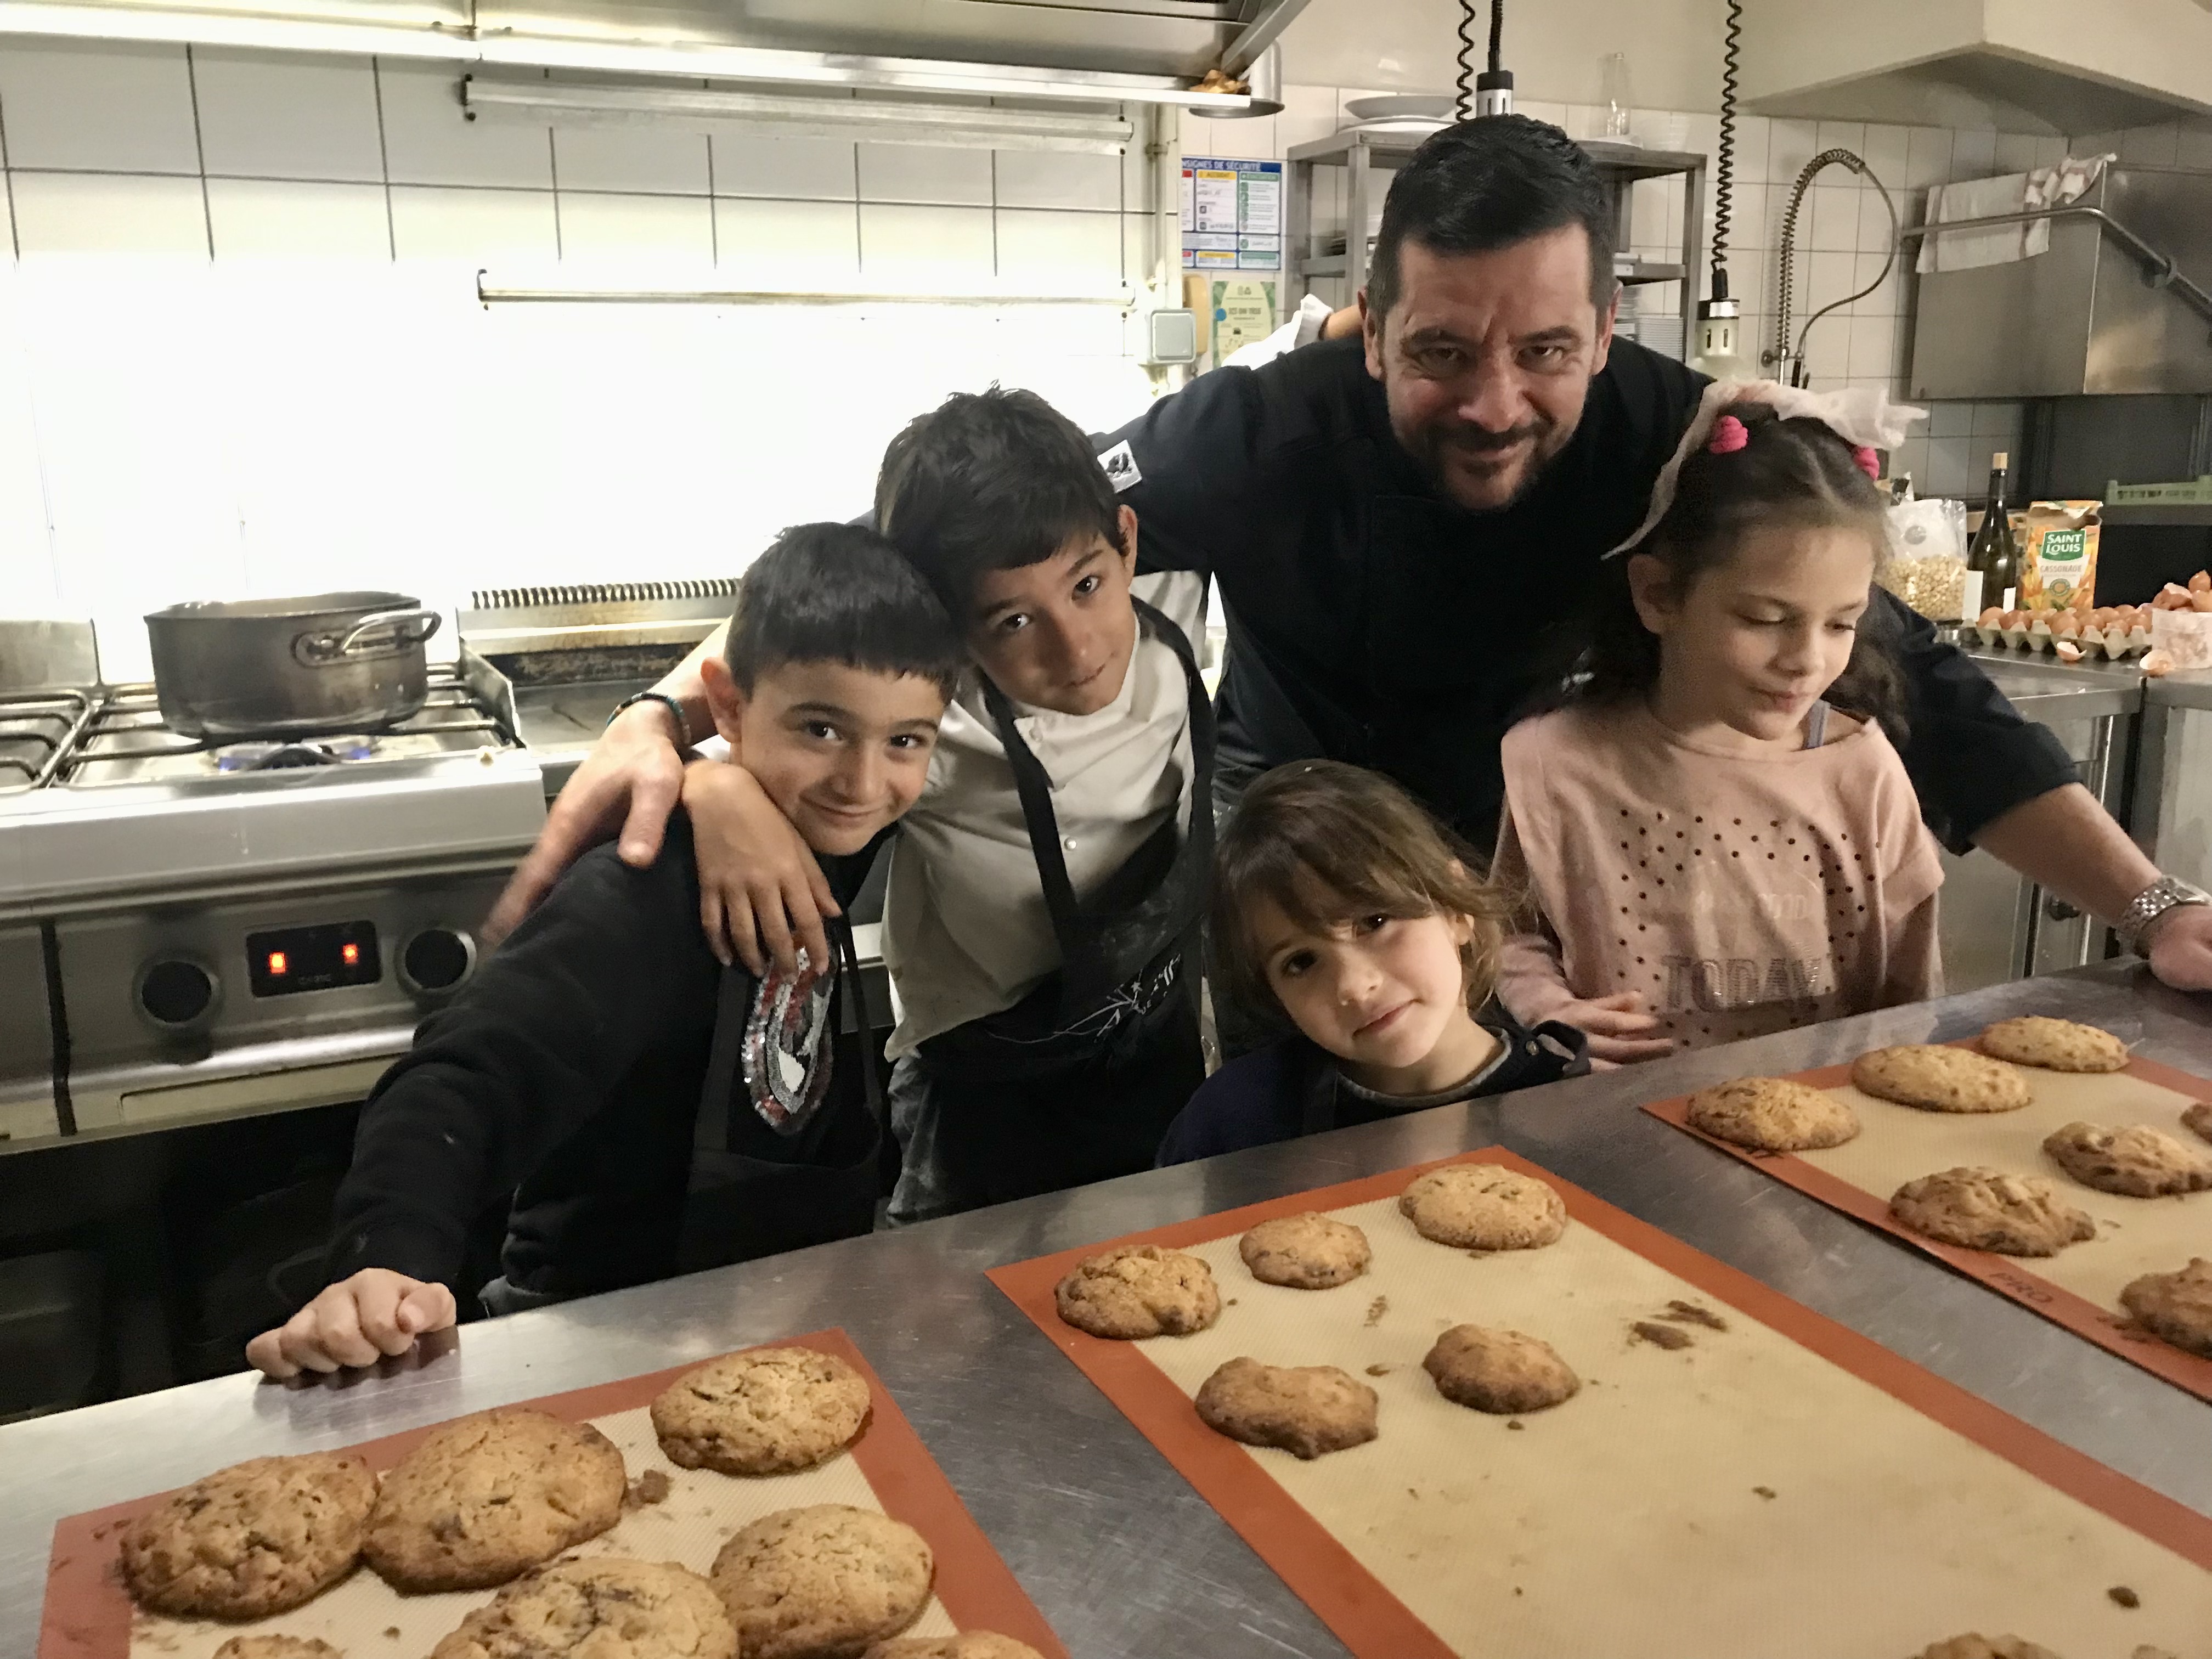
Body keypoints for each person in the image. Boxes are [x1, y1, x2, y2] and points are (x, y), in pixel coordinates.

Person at [487, 114, 2212, 1064]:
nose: (1492, 401)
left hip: (1550, 888)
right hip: (1300, 872)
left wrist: (2153, 909)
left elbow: (1930, 693)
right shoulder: (1257, 431)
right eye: (1442, 352)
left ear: (1605, 338)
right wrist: (686, 721)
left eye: (1545, 352)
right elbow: (958, 546)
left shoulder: (1681, 448)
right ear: (1369, 330)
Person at [244, 524, 963, 1379]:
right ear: (728, 706)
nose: (861, 781)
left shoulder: (840, 821)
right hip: (600, 1343)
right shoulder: (644, 890)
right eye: (820, 730)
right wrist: (388, 1257)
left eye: (904, 743)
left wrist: (717, 773)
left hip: (777, 1328)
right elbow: (464, 1077)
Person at [682, 387, 1214, 1223]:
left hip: (1157, 1049)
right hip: (982, 1097)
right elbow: (753, 723)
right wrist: (711, 784)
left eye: (1086, 585)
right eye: (1010, 622)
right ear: (952, 633)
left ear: (1128, 543)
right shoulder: (924, 727)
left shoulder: (1180, 602)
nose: (1075, 648)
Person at [1492, 386, 1944, 1057]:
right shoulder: (1556, 764)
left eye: (1842, 623)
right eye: (1764, 620)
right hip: (1611, 1126)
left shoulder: (1862, 772)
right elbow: (1509, 935)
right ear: (1658, 595)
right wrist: (1550, 1010)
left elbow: (1914, 995)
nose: (1807, 660)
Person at [1156, 760, 1584, 1165]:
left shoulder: (1573, 1108)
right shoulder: (1233, 1124)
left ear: (1455, 910)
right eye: (1302, 962)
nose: (1354, 985)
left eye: (1374, 922)